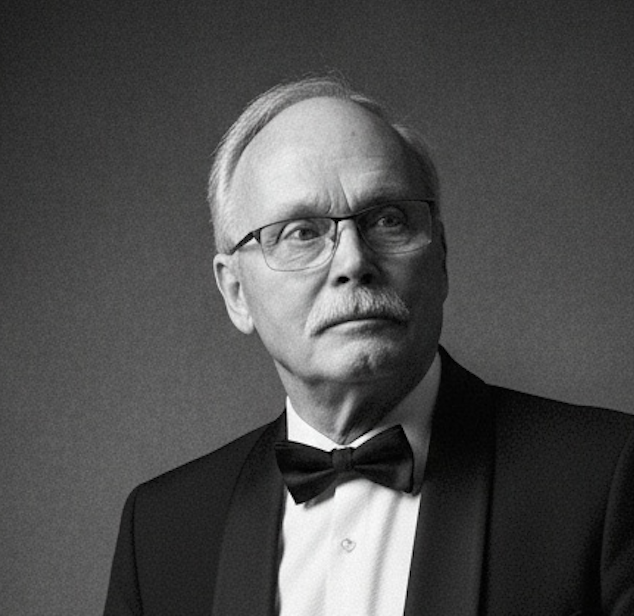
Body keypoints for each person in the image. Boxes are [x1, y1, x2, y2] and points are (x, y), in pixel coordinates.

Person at [104, 76, 634, 616]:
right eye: (301, 232)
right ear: (236, 291)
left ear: (441, 258)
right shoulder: (160, 531)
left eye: (387, 220)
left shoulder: (606, 478)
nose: (354, 261)